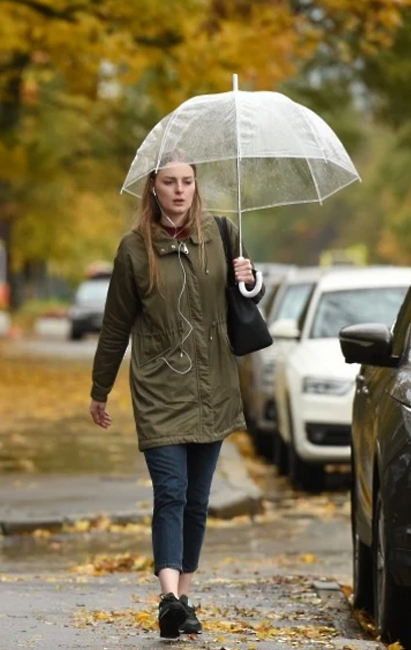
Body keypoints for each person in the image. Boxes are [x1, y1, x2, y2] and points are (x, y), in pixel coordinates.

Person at [88, 151, 263, 639]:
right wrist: (99, 388)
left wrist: (250, 279)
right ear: (154, 189)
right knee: (171, 491)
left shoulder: (222, 233)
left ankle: (184, 599)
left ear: (195, 186)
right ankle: (168, 595)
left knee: (198, 500)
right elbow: (115, 325)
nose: (180, 190)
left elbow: (246, 299)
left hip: (213, 386)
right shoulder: (134, 249)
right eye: (170, 183)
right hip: (160, 387)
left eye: (187, 181)